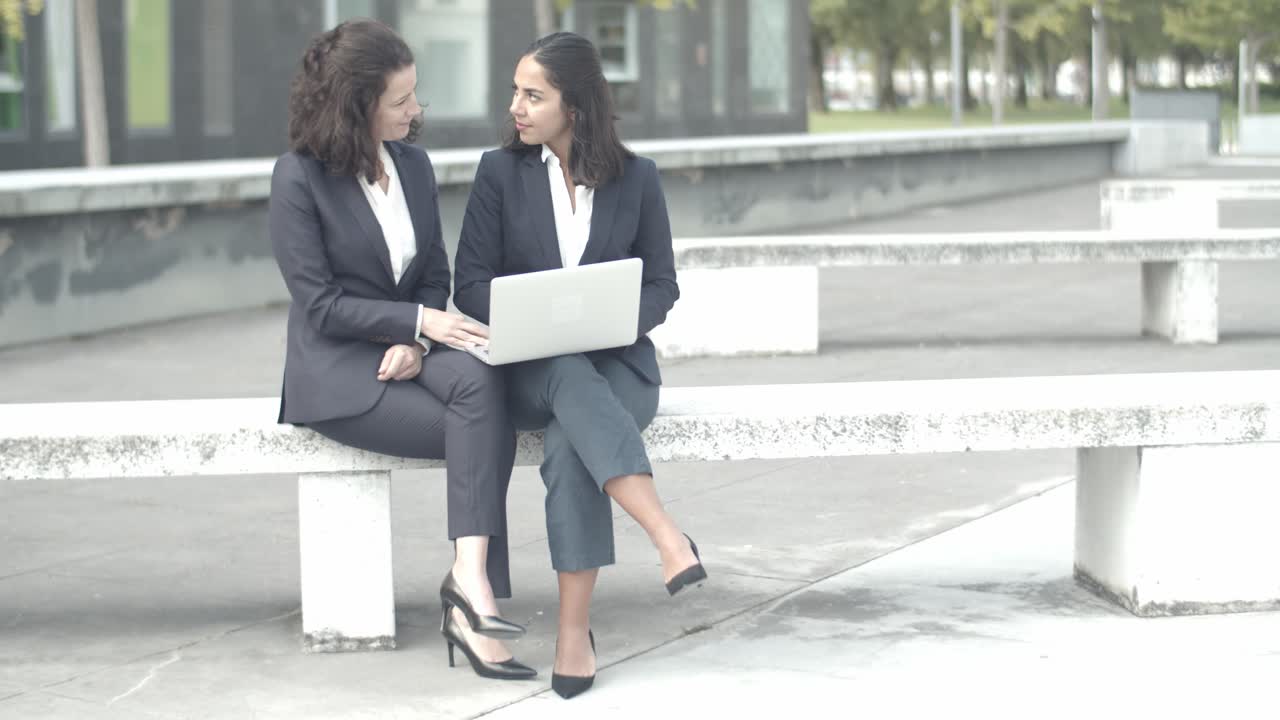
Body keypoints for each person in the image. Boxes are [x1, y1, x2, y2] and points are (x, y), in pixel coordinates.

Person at [269, 19, 534, 681]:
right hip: (335, 372)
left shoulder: (412, 165)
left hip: (408, 346)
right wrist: (418, 322)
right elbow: (319, 303)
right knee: (484, 422)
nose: (416, 111)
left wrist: (418, 338)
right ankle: (474, 603)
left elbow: (434, 273)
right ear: (355, 107)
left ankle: (469, 581)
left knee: (483, 381)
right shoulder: (297, 179)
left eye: (415, 95)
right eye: (400, 101)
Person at [453, 31, 707, 699]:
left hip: (620, 366)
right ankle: (667, 535)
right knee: (565, 371)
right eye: (516, 92)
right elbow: (469, 283)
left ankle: (574, 630)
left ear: (576, 105)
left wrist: (612, 317)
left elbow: (663, 285)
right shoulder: (498, 173)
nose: (517, 106)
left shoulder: (637, 178)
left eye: (533, 95)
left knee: (572, 445)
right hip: (532, 369)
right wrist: (539, 312)